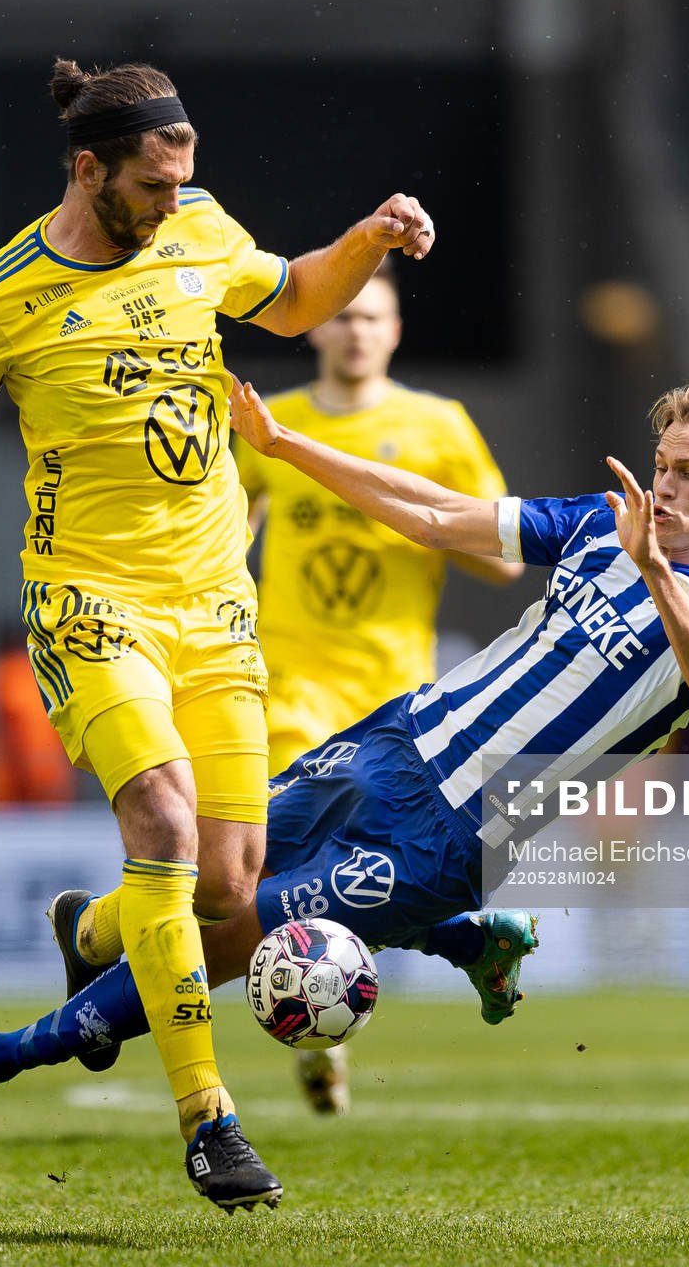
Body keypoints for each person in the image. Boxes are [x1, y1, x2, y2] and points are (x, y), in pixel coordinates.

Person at [0, 58, 436, 1211]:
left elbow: (288, 297)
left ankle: (92, 932)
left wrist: (368, 242)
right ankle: (208, 1121)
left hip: (212, 605)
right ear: (89, 170)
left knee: (232, 887)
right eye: (152, 180)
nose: (173, 197)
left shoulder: (195, 227)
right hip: (89, 602)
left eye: (185, 174)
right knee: (166, 821)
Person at [0, 374, 689, 1121]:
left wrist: (661, 578)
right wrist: (289, 449)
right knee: (207, 877)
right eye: (662, 465)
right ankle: (102, 930)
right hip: (390, 740)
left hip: (445, 843)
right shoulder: (595, 525)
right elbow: (432, 513)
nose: (663, 487)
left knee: (227, 935)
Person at [234, 259, 520, 1113]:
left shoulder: (438, 425)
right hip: (291, 684)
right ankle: (332, 1014)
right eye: (343, 316)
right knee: (276, 860)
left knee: (374, 875)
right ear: (318, 326)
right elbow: (223, 535)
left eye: (373, 318)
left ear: (394, 331)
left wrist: (420, 520)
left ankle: (331, 1022)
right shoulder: (273, 425)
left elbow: (503, 557)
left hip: (397, 697)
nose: (356, 330)